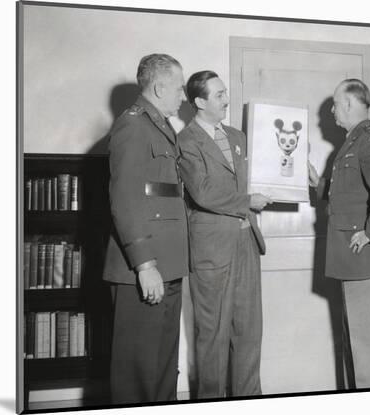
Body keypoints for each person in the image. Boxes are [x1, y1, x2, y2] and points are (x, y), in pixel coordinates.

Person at [178, 70, 272, 398]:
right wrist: (247, 202)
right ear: (200, 102)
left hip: (246, 241)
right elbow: (202, 192)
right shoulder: (186, 141)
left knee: (249, 332)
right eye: (219, 95)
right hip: (212, 250)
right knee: (213, 336)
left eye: (225, 92)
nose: (226, 100)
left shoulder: (237, 137)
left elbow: (264, 171)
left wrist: (294, 168)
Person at [103, 53, 189, 404]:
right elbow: (124, 200)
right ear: (159, 86)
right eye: (179, 88)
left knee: (161, 367)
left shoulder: (159, 126)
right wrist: (145, 265)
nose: (183, 96)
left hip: (166, 265)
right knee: (138, 373)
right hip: (145, 267)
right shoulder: (133, 126)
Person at [309, 78, 370, 389]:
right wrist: (317, 184)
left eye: (336, 104)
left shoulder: (366, 140)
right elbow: (349, 194)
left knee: (366, 345)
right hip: (353, 259)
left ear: (349, 104)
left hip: (363, 257)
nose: (333, 110)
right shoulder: (352, 141)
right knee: (357, 343)